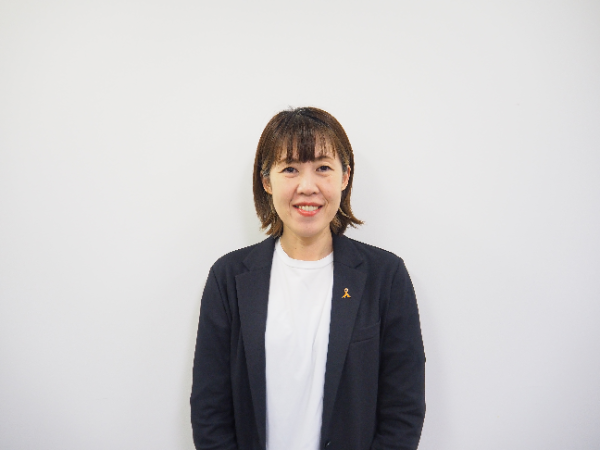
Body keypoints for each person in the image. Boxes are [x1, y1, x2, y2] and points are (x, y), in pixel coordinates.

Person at [190, 107, 425, 450]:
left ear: (345, 177)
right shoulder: (228, 279)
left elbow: (403, 411)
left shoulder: (385, 277)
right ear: (266, 181)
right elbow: (210, 411)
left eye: (323, 168)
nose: (307, 186)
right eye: (290, 169)